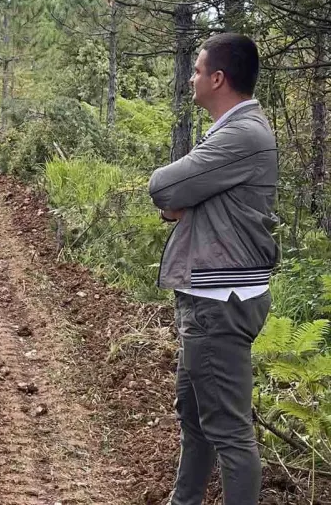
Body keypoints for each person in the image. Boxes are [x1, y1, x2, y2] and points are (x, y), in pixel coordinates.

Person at [149, 33, 278, 505]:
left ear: (218, 78)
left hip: (220, 300)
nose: (192, 77)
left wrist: (182, 200)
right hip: (211, 297)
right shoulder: (233, 133)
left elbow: (164, 186)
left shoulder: (242, 136)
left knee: (229, 432)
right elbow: (178, 199)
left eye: (197, 70)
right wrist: (184, 201)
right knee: (197, 419)